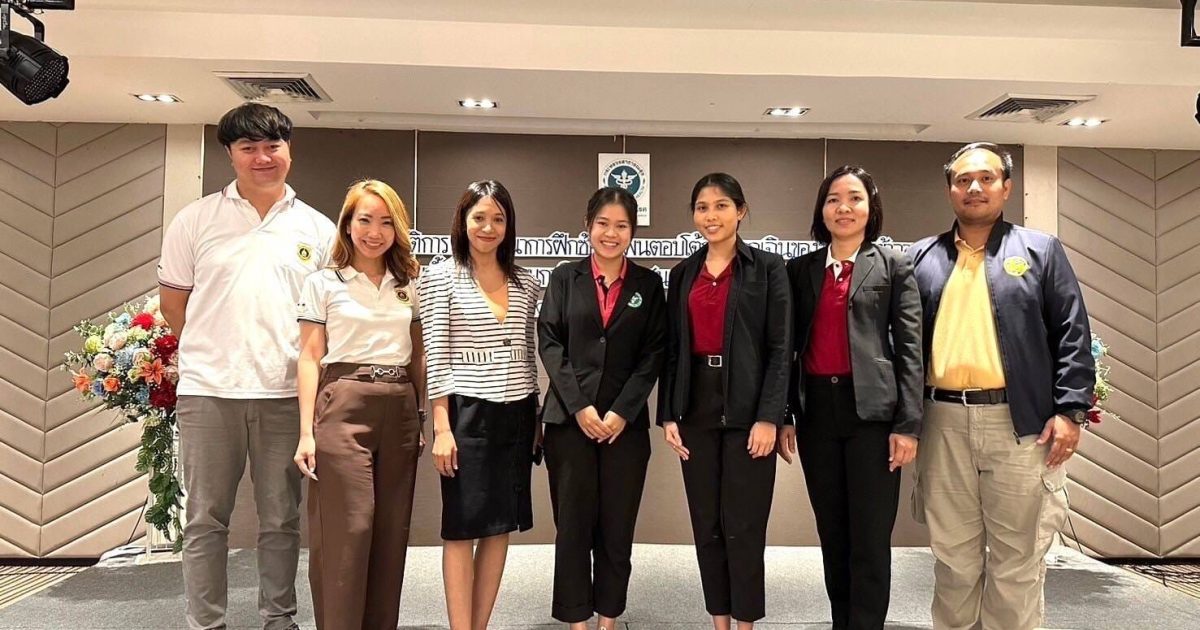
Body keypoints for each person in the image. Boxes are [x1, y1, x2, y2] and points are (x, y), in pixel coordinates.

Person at [157, 103, 335, 630]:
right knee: (205, 520)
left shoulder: (318, 228)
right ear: (230, 155)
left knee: (281, 519)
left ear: (289, 150)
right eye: (248, 148)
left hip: (285, 394)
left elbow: (327, 319)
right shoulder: (195, 220)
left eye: (272, 146)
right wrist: (215, 349)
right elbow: (173, 305)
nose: (262, 158)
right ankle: (205, 622)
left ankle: (278, 619)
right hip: (209, 393)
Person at [908, 142, 1095, 630]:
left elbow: (1072, 333)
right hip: (942, 423)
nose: (974, 187)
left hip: (1021, 427)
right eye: (963, 179)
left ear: (1006, 188)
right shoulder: (920, 258)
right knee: (953, 560)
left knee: (1017, 560)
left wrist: (1070, 411)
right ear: (949, 190)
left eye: (987, 178)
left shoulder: (1040, 251)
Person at [778, 165, 923, 630]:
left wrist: (908, 425)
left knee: (870, 537)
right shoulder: (800, 270)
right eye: (833, 199)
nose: (844, 208)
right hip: (817, 413)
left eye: (855, 198)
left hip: (873, 418)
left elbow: (911, 349)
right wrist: (785, 414)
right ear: (821, 210)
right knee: (833, 532)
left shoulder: (894, 264)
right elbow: (786, 349)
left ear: (871, 208)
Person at [658, 173, 792, 630]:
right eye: (702, 207)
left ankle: (746, 623)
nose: (710, 216)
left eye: (720, 206)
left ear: (741, 211)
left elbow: (781, 347)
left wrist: (770, 416)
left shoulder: (767, 268)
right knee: (707, 525)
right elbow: (673, 349)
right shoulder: (683, 273)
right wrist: (668, 415)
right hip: (695, 408)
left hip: (749, 413)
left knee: (744, 526)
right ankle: (719, 622)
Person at [293, 180, 425, 630]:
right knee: (350, 530)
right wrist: (306, 432)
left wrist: (421, 415)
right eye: (365, 220)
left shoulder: (410, 284)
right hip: (344, 404)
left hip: (400, 407)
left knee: (391, 532)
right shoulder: (323, 282)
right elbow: (309, 356)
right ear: (347, 225)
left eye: (386, 222)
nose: (375, 232)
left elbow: (418, 355)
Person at [538, 187, 667, 630]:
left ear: (633, 231)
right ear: (587, 226)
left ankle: (608, 619)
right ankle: (577, 620)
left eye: (622, 225)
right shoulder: (564, 278)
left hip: (623, 430)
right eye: (603, 224)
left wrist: (621, 412)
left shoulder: (648, 285)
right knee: (572, 528)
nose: (611, 234)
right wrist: (579, 407)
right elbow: (550, 343)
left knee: (617, 528)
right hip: (568, 425)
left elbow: (654, 354)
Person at [422, 180, 541, 630]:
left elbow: (528, 353)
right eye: (479, 218)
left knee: (499, 526)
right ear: (463, 220)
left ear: (509, 225)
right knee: (461, 527)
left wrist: (535, 420)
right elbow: (436, 354)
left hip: (516, 414)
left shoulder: (526, 282)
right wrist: (442, 427)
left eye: (498, 219)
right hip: (466, 415)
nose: (488, 227)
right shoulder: (441, 276)